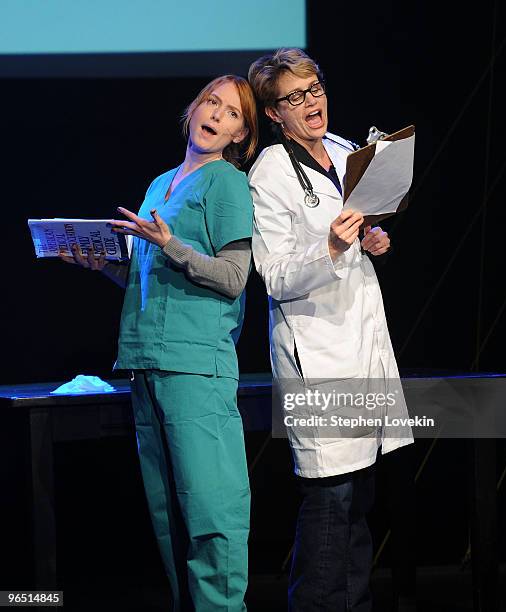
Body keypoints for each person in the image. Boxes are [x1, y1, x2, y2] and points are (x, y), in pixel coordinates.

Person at [61, 74, 258, 611]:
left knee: (210, 513)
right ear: (194, 108)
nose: (216, 115)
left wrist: (171, 245)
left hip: (195, 367)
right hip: (146, 363)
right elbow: (146, 279)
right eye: (211, 102)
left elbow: (234, 277)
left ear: (241, 134)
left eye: (232, 113)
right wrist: (103, 265)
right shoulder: (160, 184)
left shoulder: (227, 184)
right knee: (168, 515)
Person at [247, 48, 413, 611]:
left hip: (364, 348)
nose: (311, 102)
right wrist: (334, 246)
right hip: (316, 357)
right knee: (330, 501)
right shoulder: (270, 171)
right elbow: (273, 275)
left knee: (359, 497)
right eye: (294, 96)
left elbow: (362, 237)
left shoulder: (346, 151)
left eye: (314, 88)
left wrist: (372, 244)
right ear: (274, 113)